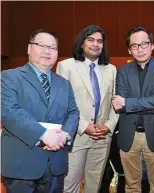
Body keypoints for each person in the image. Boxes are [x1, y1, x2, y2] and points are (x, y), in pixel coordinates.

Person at [1, 29, 80, 193]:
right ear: (29, 48)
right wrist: (44, 135)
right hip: (21, 165)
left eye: (53, 47)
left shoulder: (64, 83)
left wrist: (65, 135)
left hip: (55, 164)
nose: (47, 51)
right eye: (42, 45)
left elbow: (73, 112)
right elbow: (9, 112)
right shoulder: (9, 77)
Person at [56, 25, 119, 193]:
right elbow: (61, 103)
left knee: (94, 186)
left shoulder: (111, 69)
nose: (95, 44)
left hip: (102, 137)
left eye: (99, 41)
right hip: (77, 135)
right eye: (90, 40)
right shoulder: (66, 66)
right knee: (70, 186)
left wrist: (109, 126)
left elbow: (116, 103)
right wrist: (84, 126)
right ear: (82, 43)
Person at [113, 27, 154, 193]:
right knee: (131, 187)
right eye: (135, 46)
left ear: (152, 45)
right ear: (129, 50)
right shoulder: (123, 71)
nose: (140, 49)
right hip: (128, 137)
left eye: (144, 44)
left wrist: (127, 103)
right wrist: (146, 103)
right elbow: (118, 104)